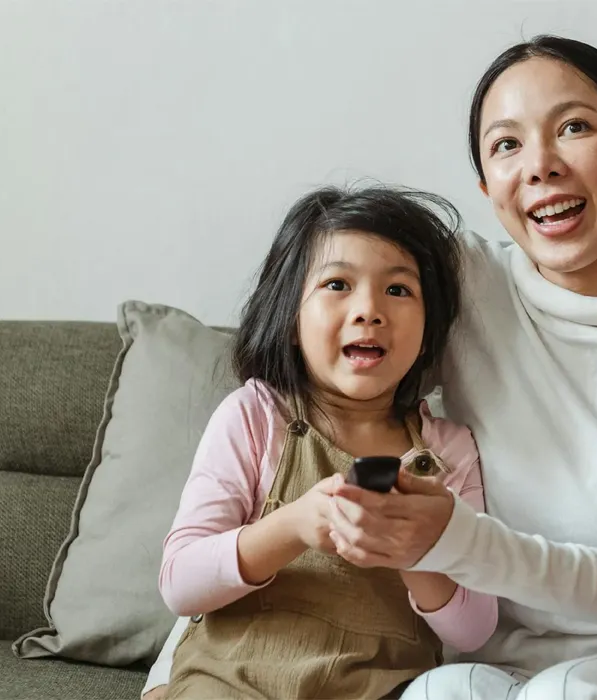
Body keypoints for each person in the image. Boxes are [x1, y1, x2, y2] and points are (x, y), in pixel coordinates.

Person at [147, 35, 597, 700]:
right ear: (486, 186)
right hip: (496, 664)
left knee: (571, 696)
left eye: (574, 128)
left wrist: (452, 537)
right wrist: (171, 679)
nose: (540, 165)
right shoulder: (458, 281)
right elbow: (308, 394)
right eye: (507, 144)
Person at [153, 184, 497, 699]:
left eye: (399, 290)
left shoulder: (450, 453)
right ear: (291, 319)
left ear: (428, 334)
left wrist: (412, 547)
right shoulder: (254, 417)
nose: (369, 310)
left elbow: (473, 629)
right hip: (232, 681)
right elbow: (180, 582)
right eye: (338, 284)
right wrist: (293, 525)